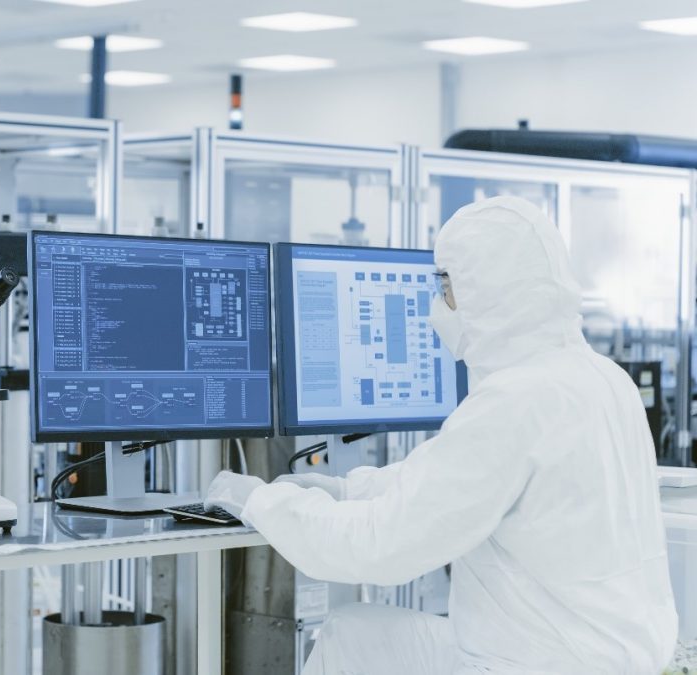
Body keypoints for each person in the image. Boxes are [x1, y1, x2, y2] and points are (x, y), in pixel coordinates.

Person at [206, 196, 677, 674]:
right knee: (356, 635)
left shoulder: (515, 401)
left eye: (448, 286)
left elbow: (377, 549)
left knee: (357, 638)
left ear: (490, 292)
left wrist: (260, 503)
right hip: (604, 656)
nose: (439, 307)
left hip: (538, 663)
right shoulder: (600, 377)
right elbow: (443, 478)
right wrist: (347, 488)